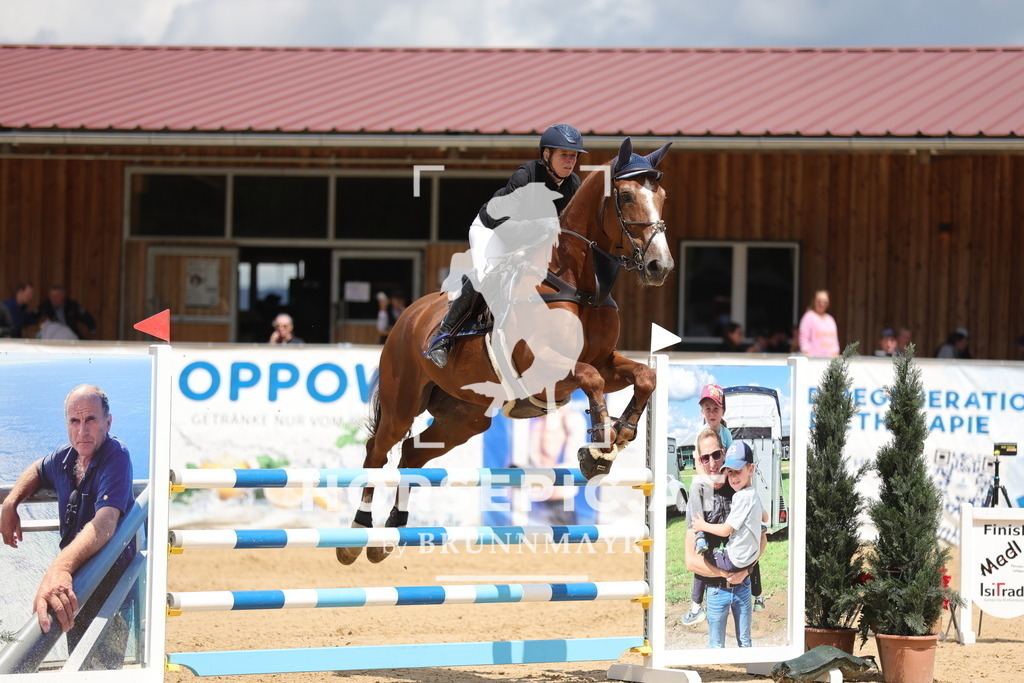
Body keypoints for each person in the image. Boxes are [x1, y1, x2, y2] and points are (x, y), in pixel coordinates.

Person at [424, 123, 587, 368]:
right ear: (546, 155)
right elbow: (504, 225)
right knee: (485, 275)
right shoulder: (525, 176)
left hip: (531, 239)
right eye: (564, 155)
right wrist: (539, 230)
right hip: (493, 230)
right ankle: (443, 337)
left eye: (574, 156)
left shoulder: (573, 184)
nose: (570, 161)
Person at [0, 385, 135, 669]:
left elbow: (105, 522)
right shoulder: (66, 457)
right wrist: (11, 502)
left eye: (91, 420)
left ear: (108, 422)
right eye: (74, 421)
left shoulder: (116, 456)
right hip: (76, 581)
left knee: (103, 671)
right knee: (77, 661)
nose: (82, 430)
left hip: (111, 584)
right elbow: (37, 469)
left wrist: (59, 568)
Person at [691, 442, 763, 648]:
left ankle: (695, 604)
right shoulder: (700, 495)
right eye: (705, 458)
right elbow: (690, 562)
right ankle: (758, 596)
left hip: (739, 574)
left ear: (751, 469)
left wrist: (702, 527)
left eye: (716, 455)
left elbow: (726, 531)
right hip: (720, 585)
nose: (733, 477)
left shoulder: (740, 495)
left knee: (705, 552)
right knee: (728, 643)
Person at [798, 289, 840, 358]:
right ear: (814, 301)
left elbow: (835, 341)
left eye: (825, 302)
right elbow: (803, 339)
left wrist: (835, 353)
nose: (822, 304)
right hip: (813, 360)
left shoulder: (830, 319)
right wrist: (807, 354)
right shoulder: (808, 317)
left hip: (830, 361)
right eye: (819, 301)